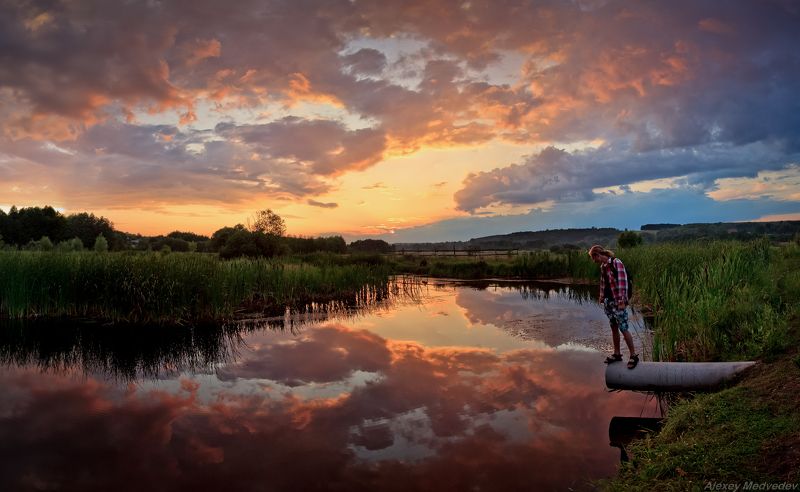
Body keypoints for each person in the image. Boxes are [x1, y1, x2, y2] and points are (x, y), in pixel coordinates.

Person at [588, 245, 638, 369]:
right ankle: (617, 354)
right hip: (608, 302)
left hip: (618, 302)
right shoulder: (603, 267)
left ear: (597, 255)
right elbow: (603, 283)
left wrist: (622, 301)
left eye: (593, 257)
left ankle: (633, 356)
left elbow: (623, 282)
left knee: (624, 328)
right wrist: (601, 297)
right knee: (614, 327)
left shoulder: (616, 262)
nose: (593, 260)